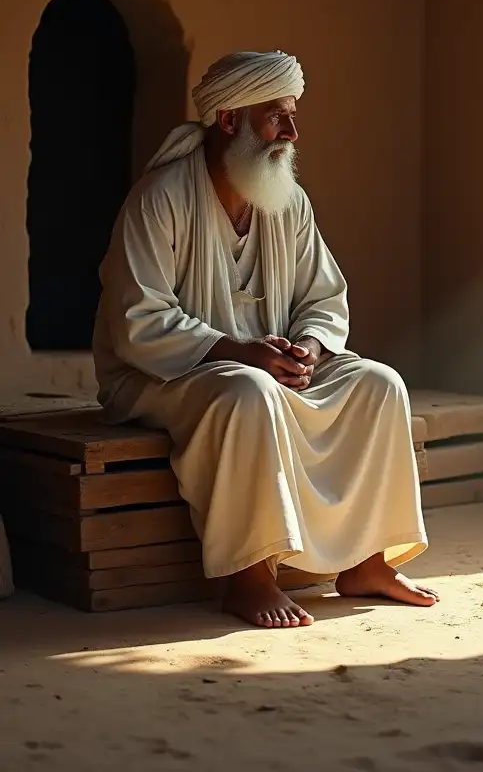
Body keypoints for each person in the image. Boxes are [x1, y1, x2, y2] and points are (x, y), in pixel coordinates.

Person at [94, 50, 436, 629]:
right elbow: (138, 319)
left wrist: (309, 348)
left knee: (379, 384)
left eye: (293, 115)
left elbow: (324, 300)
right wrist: (238, 351)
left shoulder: (288, 203)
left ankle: (366, 562)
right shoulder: (159, 200)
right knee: (248, 394)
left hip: (268, 367)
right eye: (278, 116)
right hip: (166, 376)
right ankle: (249, 577)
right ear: (229, 120)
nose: (294, 132)